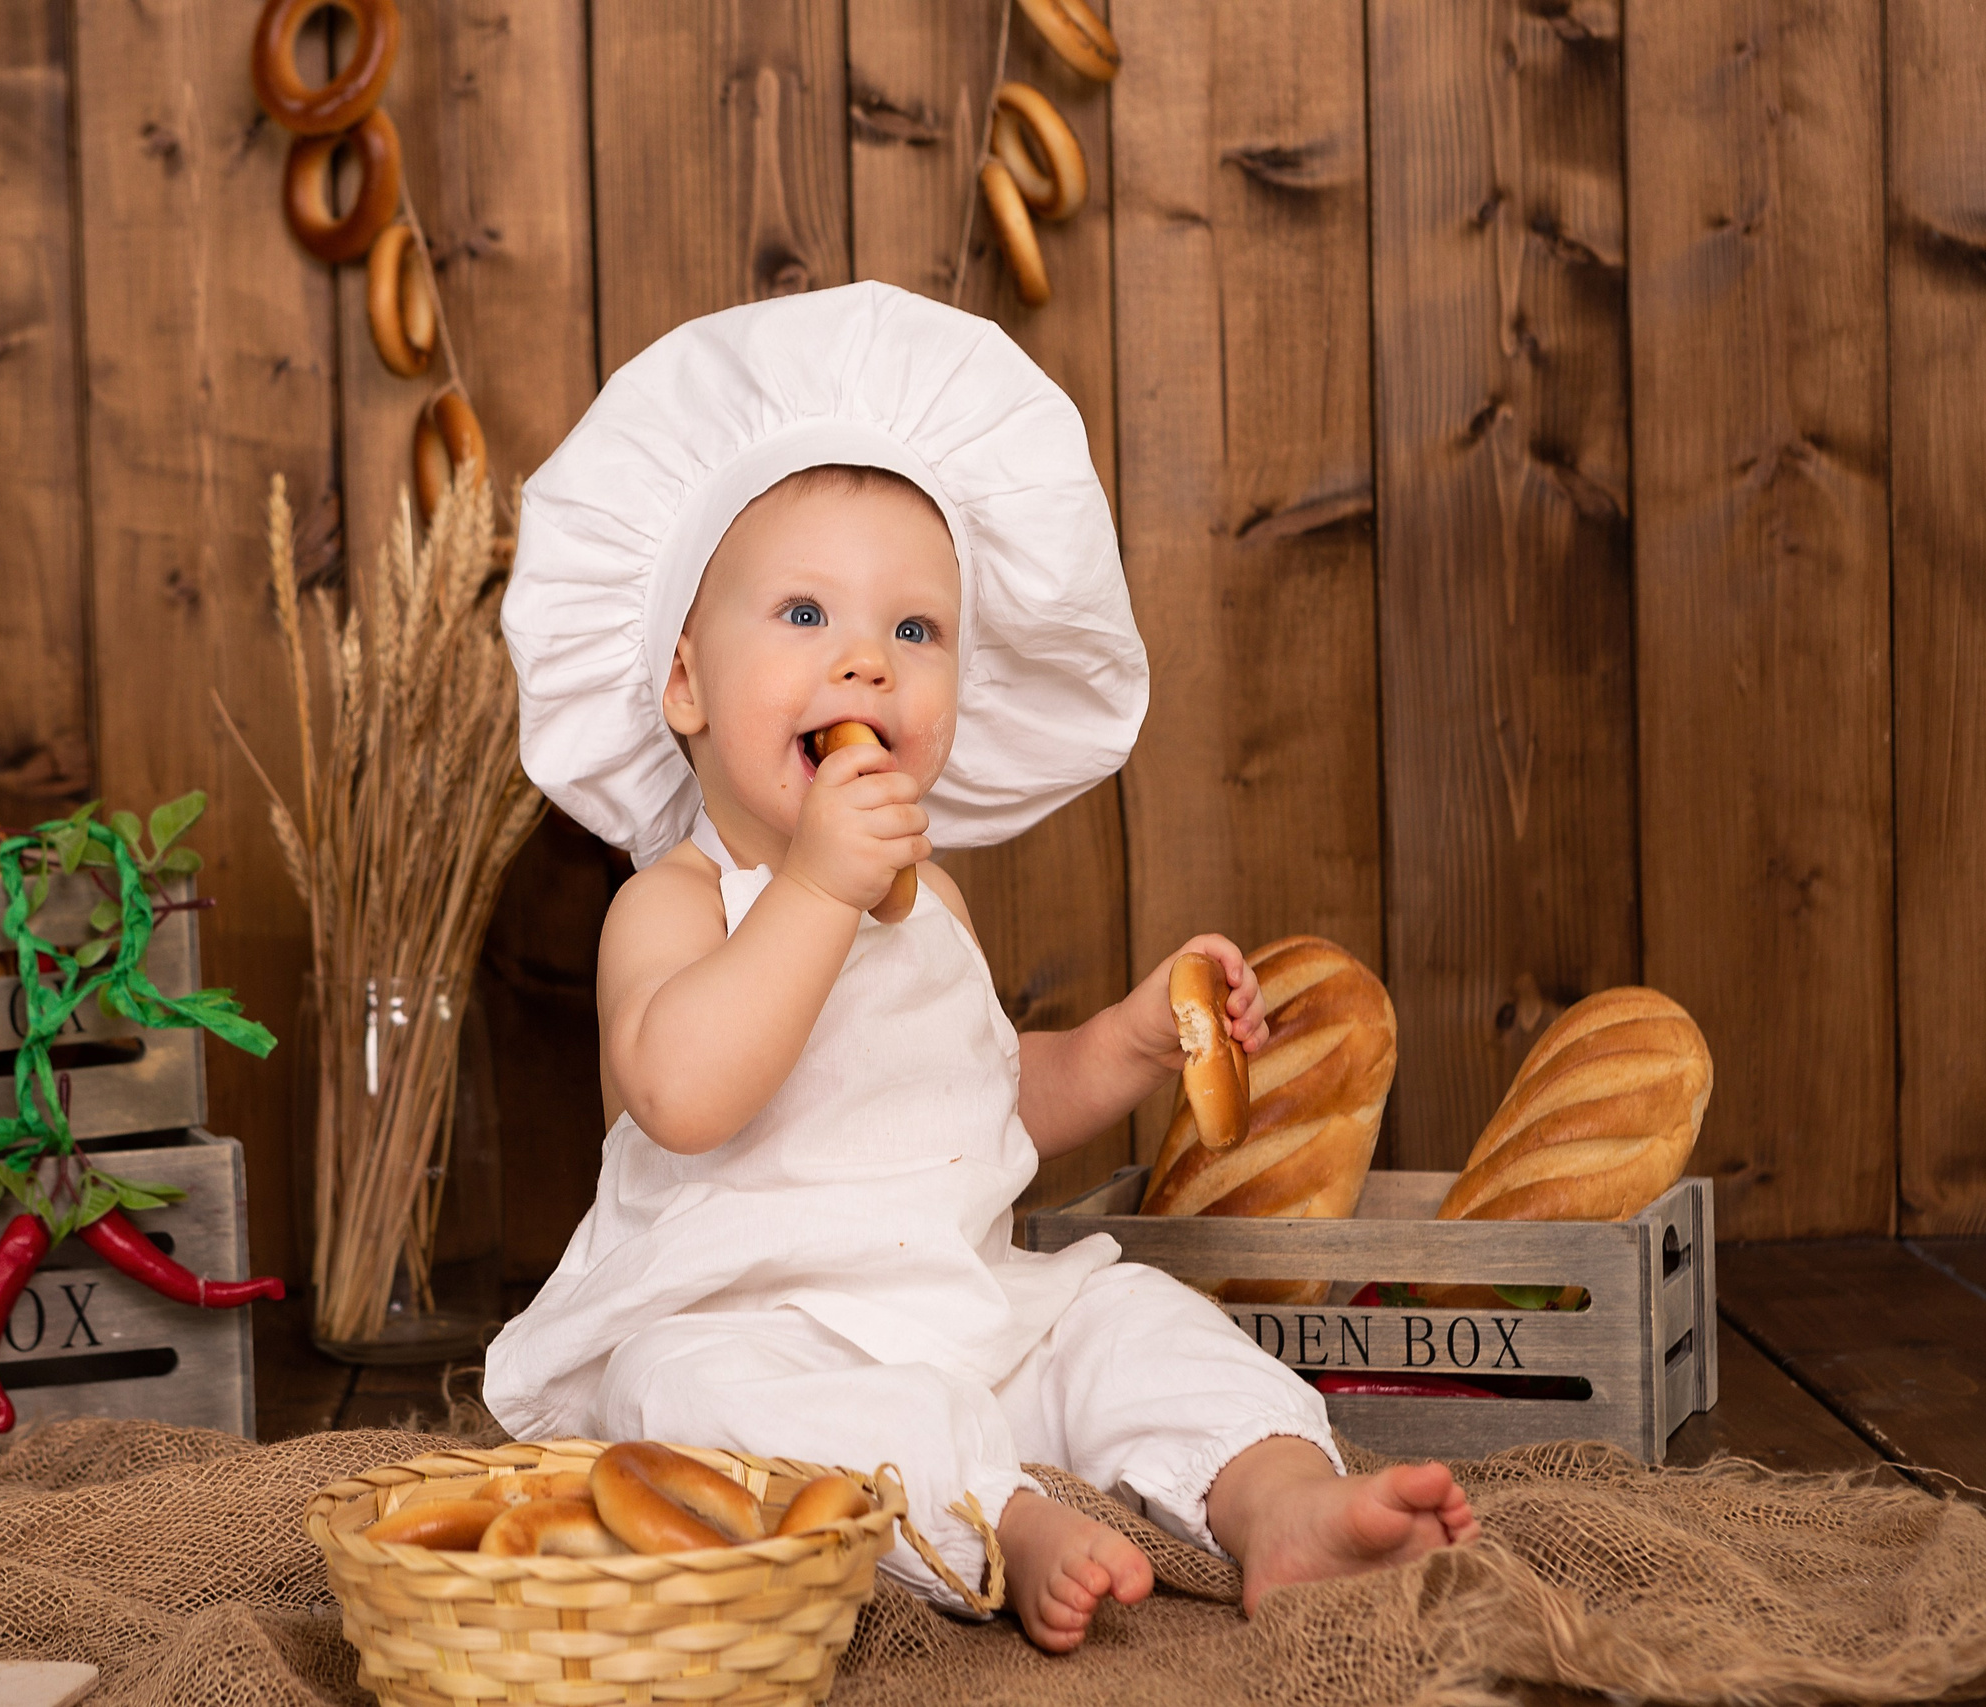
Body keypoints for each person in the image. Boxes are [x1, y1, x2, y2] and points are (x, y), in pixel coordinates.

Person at [490, 282, 1477, 1652]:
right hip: (763, 1333)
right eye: (800, 614)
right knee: (681, 1392)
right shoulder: (674, 903)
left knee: (1132, 1316)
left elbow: (981, 1106)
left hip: (974, 1316)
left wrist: (1132, 1044)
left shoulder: (933, 898)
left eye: (916, 631)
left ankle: (1280, 1501)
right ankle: (999, 1520)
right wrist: (819, 888)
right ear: (685, 687)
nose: (865, 660)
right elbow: (686, 1098)